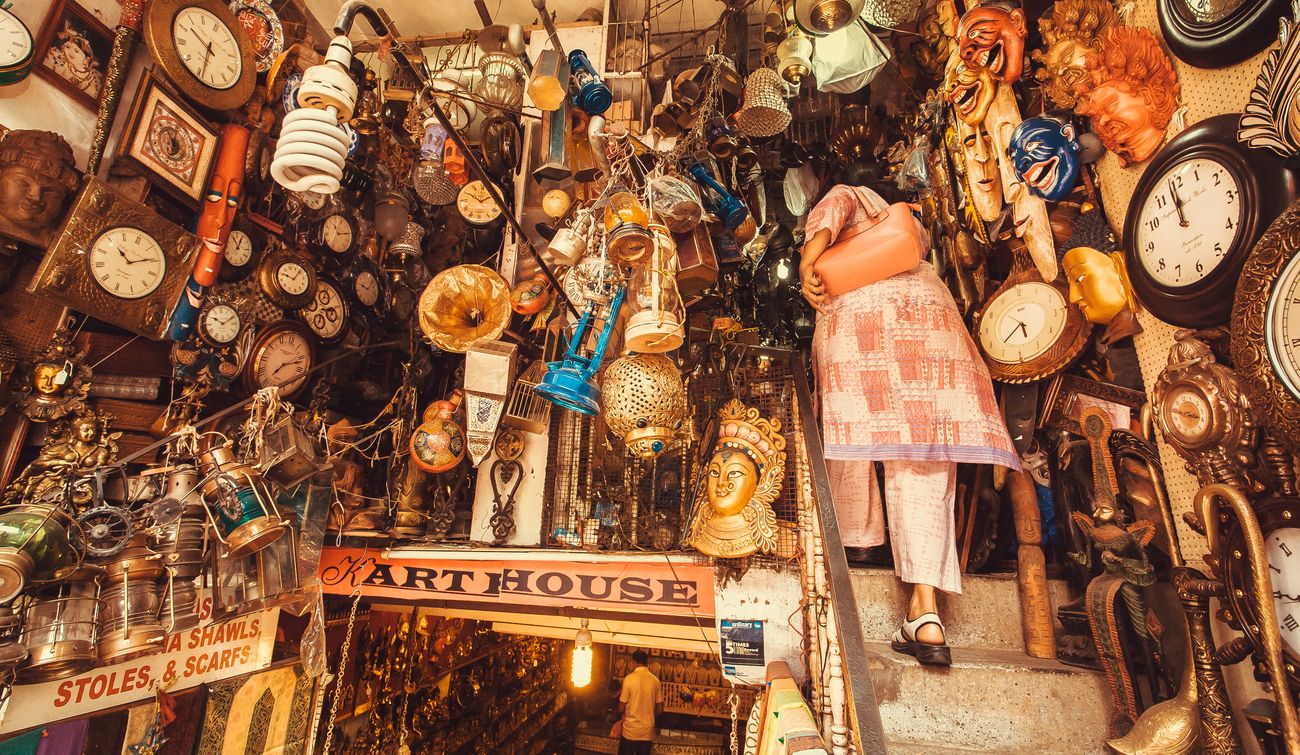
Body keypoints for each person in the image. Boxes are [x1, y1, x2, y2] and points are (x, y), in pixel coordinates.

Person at [798, 164, 1019, 667]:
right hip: (931, 336)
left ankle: (856, 540)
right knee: (921, 459)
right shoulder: (911, 228)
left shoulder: (849, 191)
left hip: (866, 333)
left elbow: (831, 212)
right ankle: (926, 612)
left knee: (850, 436)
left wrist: (810, 258)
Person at [616, 650, 661, 754]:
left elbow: (621, 708)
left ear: (634, 662)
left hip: (630, 731)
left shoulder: (629, 679)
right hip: (647, 732)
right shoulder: (655, 681)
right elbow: (660, 710)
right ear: (646, 662)